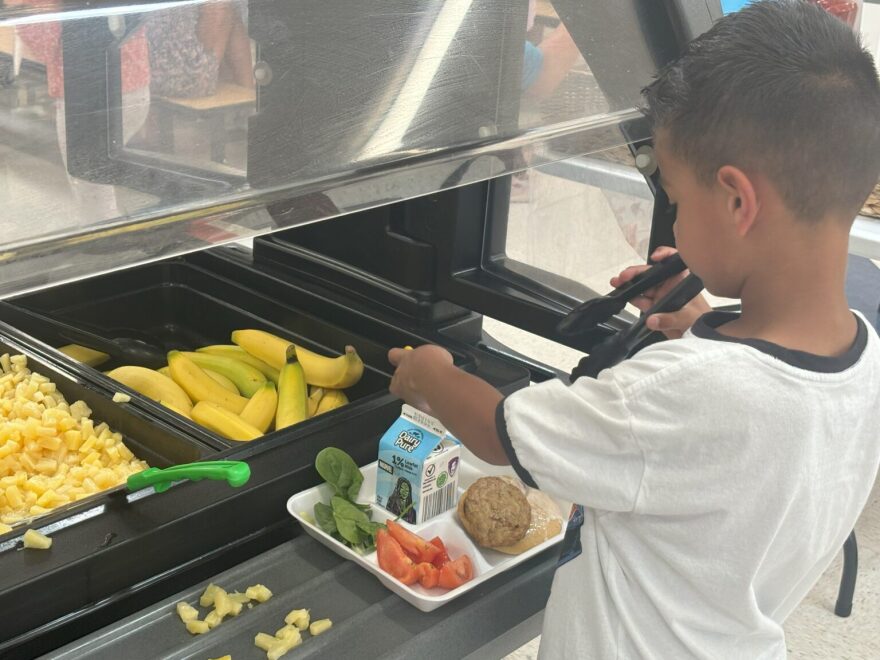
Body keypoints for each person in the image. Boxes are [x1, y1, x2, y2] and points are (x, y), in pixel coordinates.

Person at [386, 1, 880, 657]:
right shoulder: (861, 359)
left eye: (673, 195)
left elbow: (500, 432)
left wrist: (432, 375)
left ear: (737, 200)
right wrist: (700, 330)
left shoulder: (680, 394)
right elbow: (748, 436)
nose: (671, 223)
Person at [144, 1, 253, 99]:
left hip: (148, 75)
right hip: (185, 79)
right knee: (227, 9)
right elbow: (217, 14)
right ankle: (250, 99)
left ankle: (248, 96)